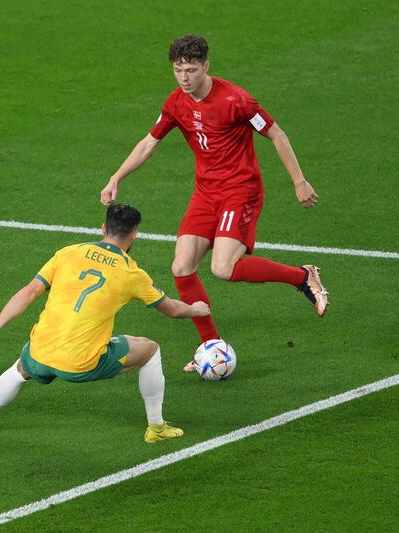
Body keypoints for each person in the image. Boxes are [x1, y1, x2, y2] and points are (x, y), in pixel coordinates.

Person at [100, 35, 328, 371]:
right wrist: (116, 176)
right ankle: (211, 345)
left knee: (223, 268)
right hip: (206, 193)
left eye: (191, 70)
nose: (184, 78)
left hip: (240, 190)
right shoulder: (176, 102)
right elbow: (149, 143)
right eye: (178, 70)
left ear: (206, 66)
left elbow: (276, 133)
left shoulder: (237, 100)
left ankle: (302, 277)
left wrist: (299, 181)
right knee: (181, 268)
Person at [0, 204, 210, 443]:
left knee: (21, 368)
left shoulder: (68, 253)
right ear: (135, 234)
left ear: (103, 228)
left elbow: (28, 293)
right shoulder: (132, 273)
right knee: (149, 349)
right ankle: (156, 427)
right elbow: (173, 310)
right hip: (81, 364)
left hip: (40, 352)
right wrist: (195, 309)